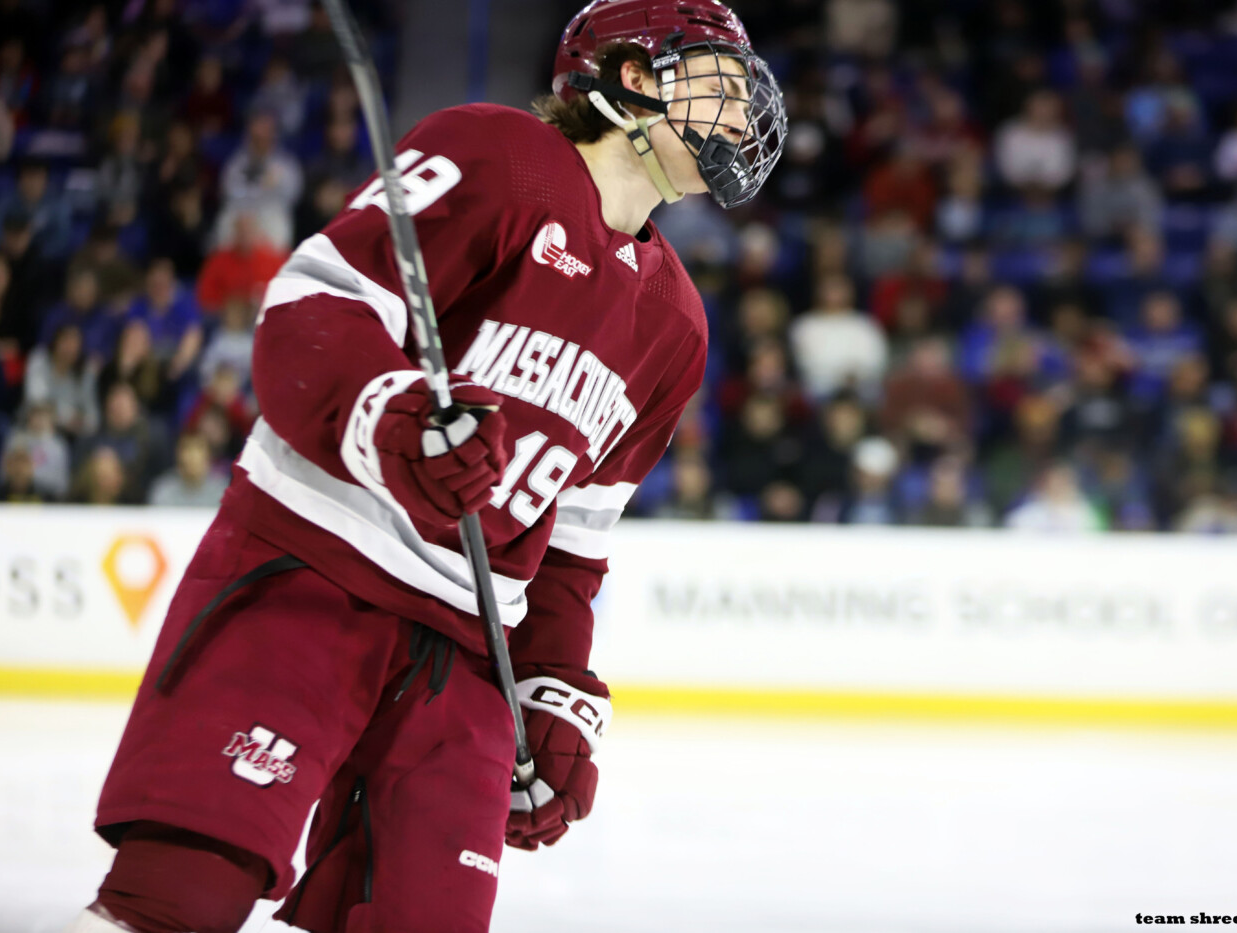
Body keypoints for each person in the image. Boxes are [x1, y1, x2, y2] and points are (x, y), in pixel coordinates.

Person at [65, 3, 785, 932]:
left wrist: (548, 682)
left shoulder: (676, 325)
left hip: (465, 652)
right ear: (633, 78)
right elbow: (315, 305)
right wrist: (393, 419)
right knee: (180, 894)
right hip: (310, 575)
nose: (742, 114)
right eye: (721, 83)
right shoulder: (499, 155)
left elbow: (572, 541)